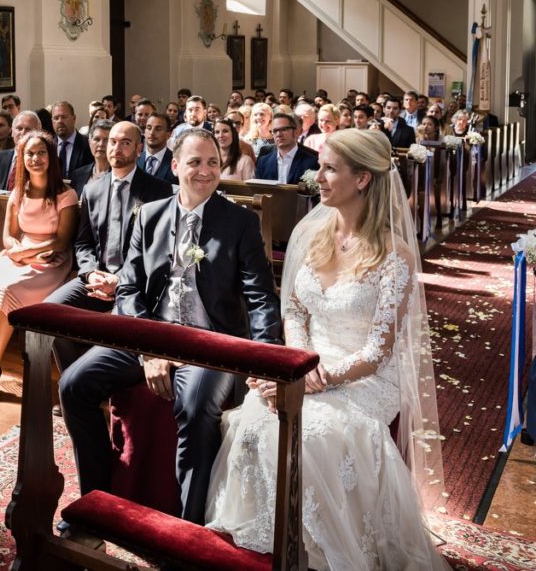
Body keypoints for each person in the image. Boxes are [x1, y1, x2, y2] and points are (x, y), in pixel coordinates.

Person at [206, 128, 447, 570]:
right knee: (254, 420)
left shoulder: (393, 256)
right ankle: (267, 542)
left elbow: (378, 350)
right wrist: (294, 365)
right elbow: (295, 310)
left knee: (309, 434)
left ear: (362, 179)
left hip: (366, 379)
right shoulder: (312, 234)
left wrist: (319, 378)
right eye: (320, 166)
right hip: (308, 364)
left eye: (329, 168)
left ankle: (320, 552)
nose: (316, 176)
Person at [60, 128, 282, 524]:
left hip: (210, 344)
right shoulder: (148, 216)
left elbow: (261, 298)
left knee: (196, 407)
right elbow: (129, 288)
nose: (205, 171)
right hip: (150, 335)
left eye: (213, 162)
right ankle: (94, 500)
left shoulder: (240, 223)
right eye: (195, 162)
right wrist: (149, 349)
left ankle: (186, 528)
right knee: (74, 384)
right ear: (175, 165)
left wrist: (267, 363)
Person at [46, 121, 173, 372]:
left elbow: (158, 251)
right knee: (50, 314)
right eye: (112, 141)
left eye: (125, 143)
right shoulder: (93, 190)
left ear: (139, 150)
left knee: (118, 331)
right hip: (96, 277)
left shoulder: (158, 190)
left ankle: (87, 385)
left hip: (136, 283)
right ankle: (71, 381)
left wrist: (120, 281)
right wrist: (91, 271)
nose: (116, 148)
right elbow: (83, 243)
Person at [0, 131, 78, 404]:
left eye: (41, 153)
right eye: (29, 154)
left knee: (8, 290)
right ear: (22, 158)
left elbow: (61, 241)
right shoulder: (18, 192)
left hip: (49, 262)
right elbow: (8, 236)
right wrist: (19, 251)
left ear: (51, 157)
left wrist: (28, 252)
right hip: (17, 255)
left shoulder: (66, 194)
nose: (35, 159)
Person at [254, 113, 319, 184]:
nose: (279, 134)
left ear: (295, 132)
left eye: (283, 129)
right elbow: (258, 189)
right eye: (275, 131)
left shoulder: (312, 162)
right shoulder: (263, 162)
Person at [0, 110, 41, 190]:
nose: (23, 132)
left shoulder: (44, 160)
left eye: (28, 129)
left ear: (38, 133)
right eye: (19, 128)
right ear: (12, 132)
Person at [68, 118, 112, 196]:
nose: (101, 144)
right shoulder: (78, 175)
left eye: (106, 140)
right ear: (89, 142)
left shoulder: (119, 175)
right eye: (97, 139)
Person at [52, 100, 94, 176]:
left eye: (64, 117)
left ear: (74, 118)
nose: (60, 121)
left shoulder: (88, 145)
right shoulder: (48, 145)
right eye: (56, 118)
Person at [138, 113, 178, 185]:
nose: (152, 133)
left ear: (168, 135)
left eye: (158, 129)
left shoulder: (177, 161)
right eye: (149, 128)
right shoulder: (135, 159)